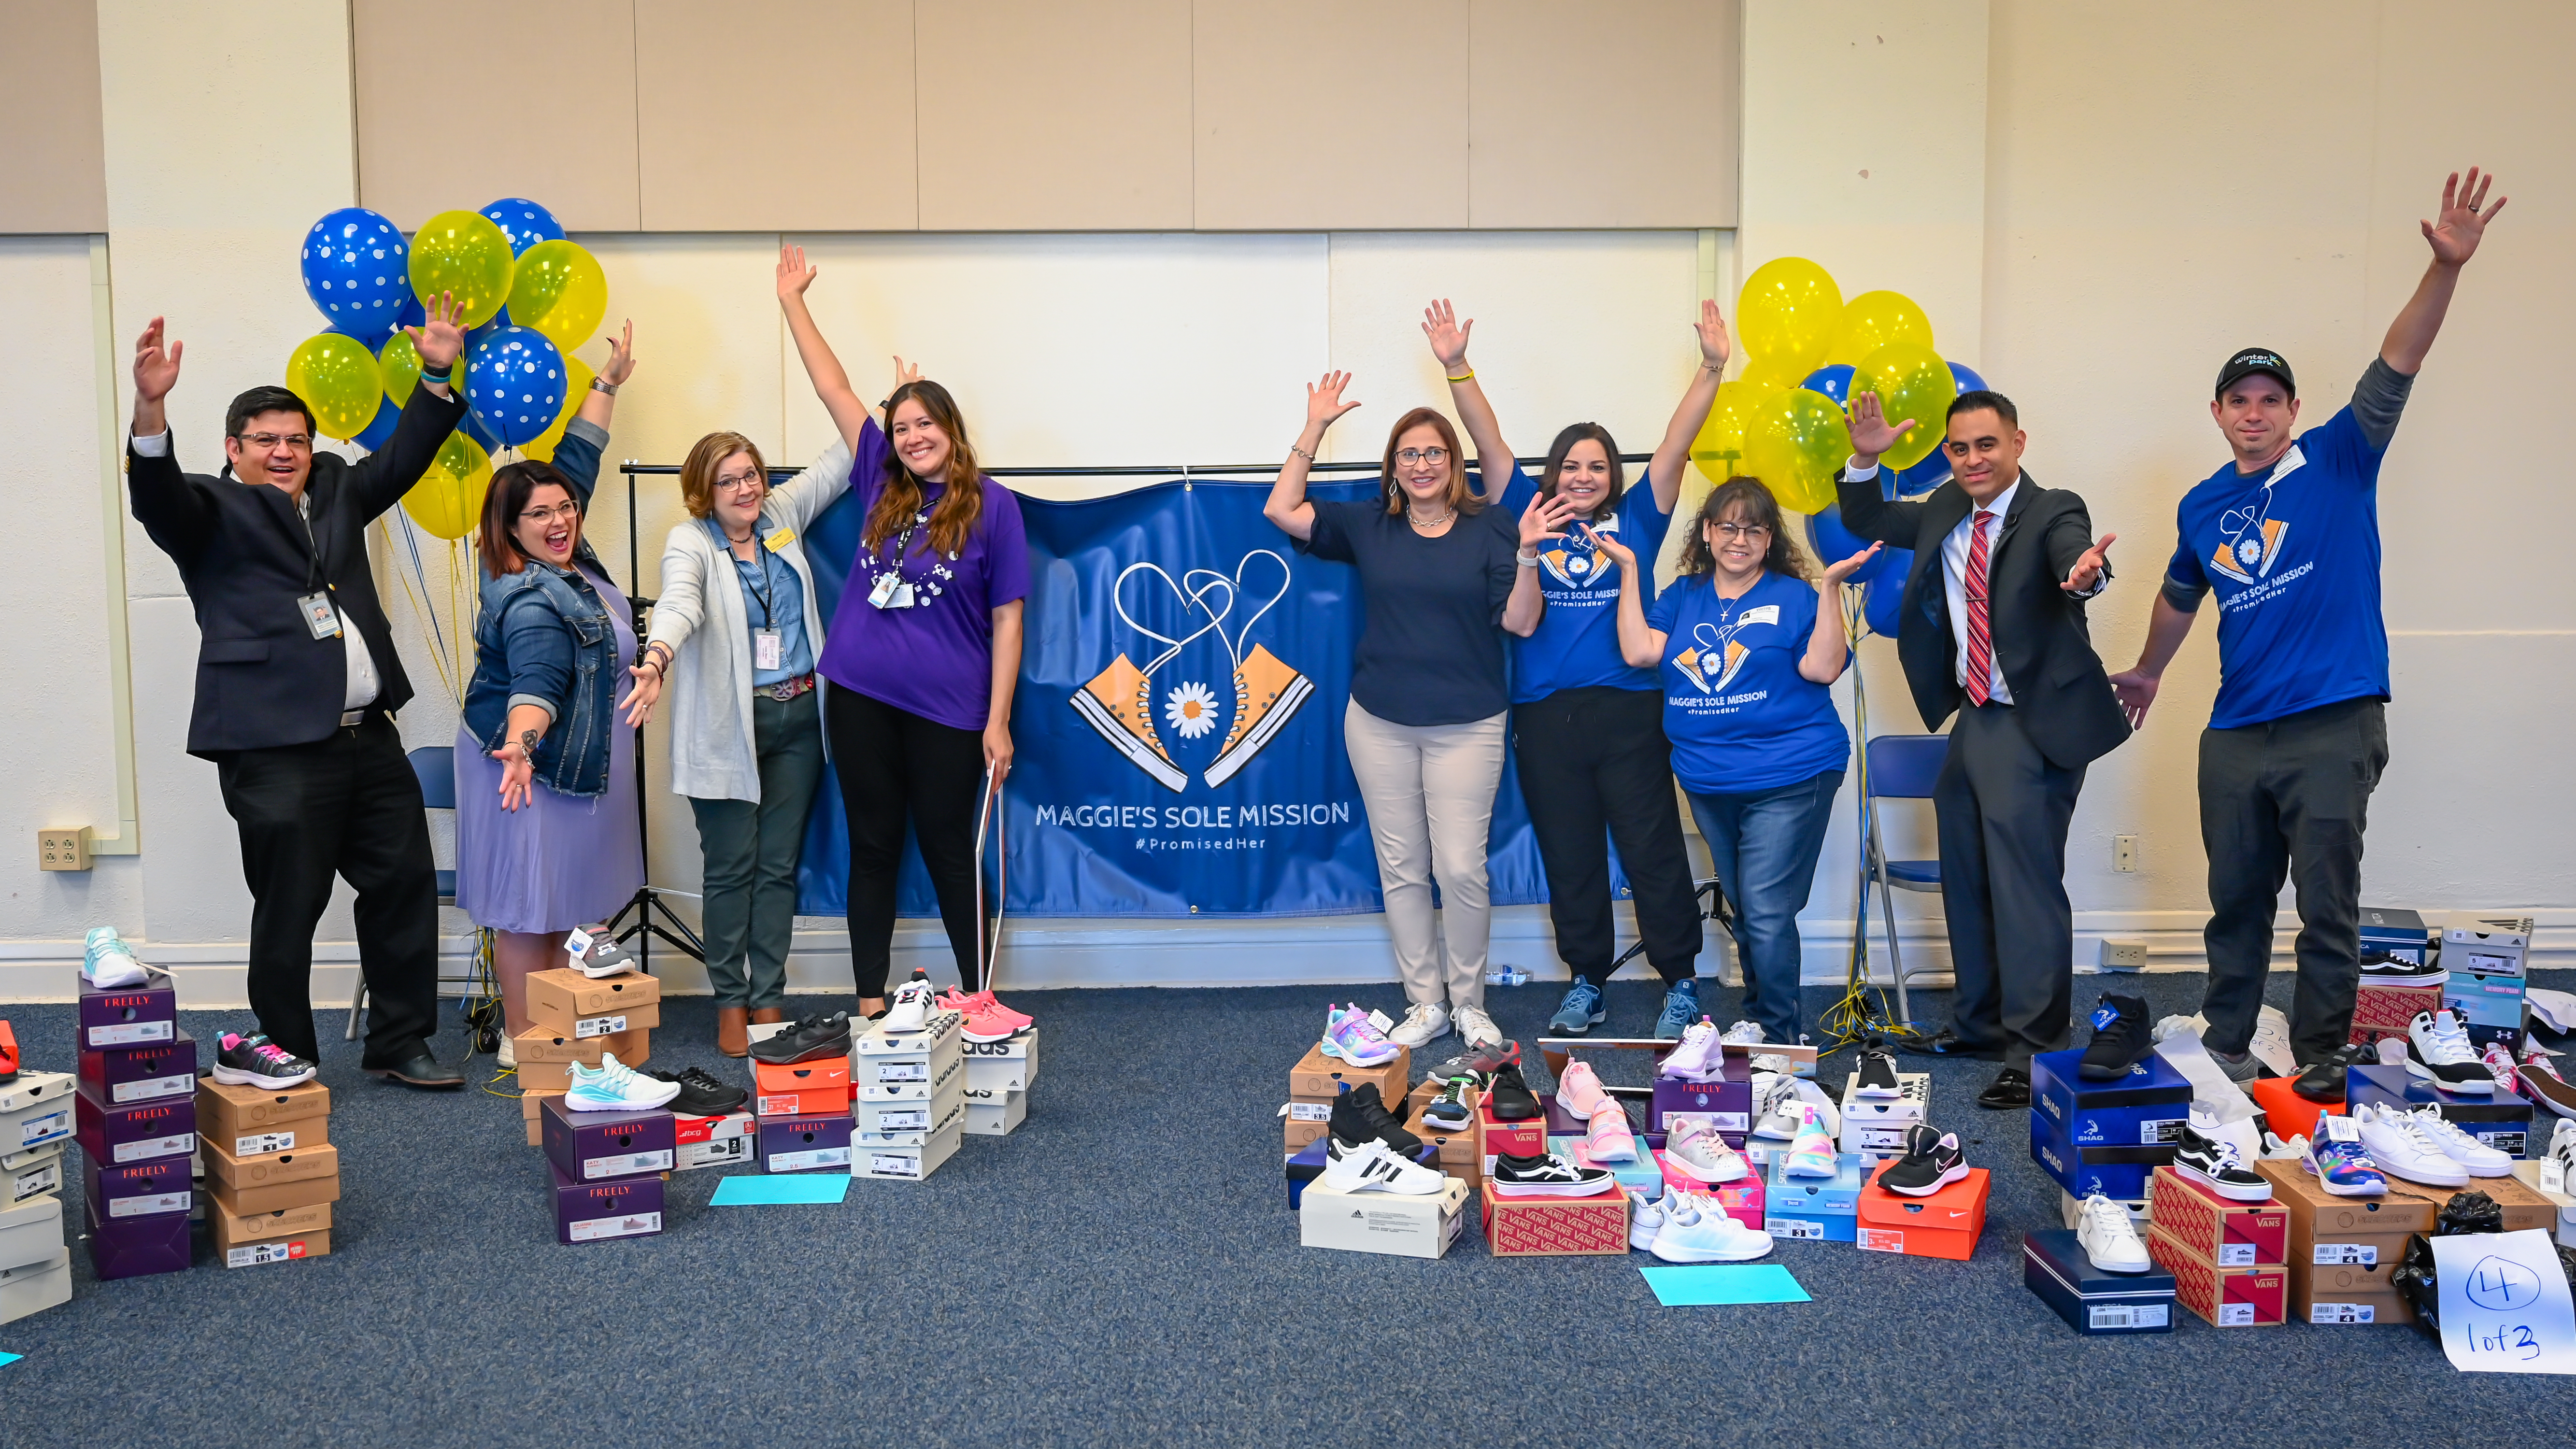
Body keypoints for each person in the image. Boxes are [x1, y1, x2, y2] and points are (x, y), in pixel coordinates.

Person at [2109, 169, 2506, 1098]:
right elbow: (2179, 594)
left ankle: (2324, 1057)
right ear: (2217, 415)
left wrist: (2443, 270)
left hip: (2332, 722)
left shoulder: (2338, 455)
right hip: (2236, 734)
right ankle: (2227, 1043)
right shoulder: (2203, 503)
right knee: (2233, 906)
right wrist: (2146, 672)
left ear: (2290, 411)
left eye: (2268, 400)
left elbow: (2400, 357)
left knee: (2328, 907)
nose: (2253, 414)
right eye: (2236, 402)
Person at [123, 300, 472, 1089]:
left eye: (297, 440)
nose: (285, 452)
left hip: (367, 737)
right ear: (233, 450)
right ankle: (286, 1052)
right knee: (290, 903)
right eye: (267, 441)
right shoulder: (208, 512)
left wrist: (438, 372)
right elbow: (155, 495)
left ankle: (399, 1040)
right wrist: (150, 410)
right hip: (272, 745)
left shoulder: (341, 488)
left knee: (403, 883)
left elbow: (407, 455)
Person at [1434, 296, 1734, 1038]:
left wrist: (1712, 367)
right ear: (1552, 472)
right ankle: (1586, 981)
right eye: (1572, 464)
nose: (1584, 475)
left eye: (1598, 467)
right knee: (1569, 853)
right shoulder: (1522, 514)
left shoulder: (1639, 519)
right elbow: (1487, 436)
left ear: (1614, 477)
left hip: (1628, 709)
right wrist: (1455, 367)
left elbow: (1675, 441)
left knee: (1651, 847)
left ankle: (1681, 983)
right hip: (1543, 716)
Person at [1837, 389, 2125, 1108]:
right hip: (1976, 716)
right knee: (1967, 874)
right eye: (1959, 448)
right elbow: (1867, 516)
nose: (1972, 460)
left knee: (2023, 888)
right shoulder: (1944, 508)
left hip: (2035, 720)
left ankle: (2033, 1050)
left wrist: (2084, 576)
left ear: (2018, 443)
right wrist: (1866, 457)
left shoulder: (2055, 508)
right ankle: (1979, 1026)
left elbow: (2073, 558)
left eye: (1986, 445)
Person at [776, 244, 1028, 1022]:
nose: (913, 436)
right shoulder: (879, 477)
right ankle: (869, 1004)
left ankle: (979, 998)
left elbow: (1008, 617)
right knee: (874, 848)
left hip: (950, 710)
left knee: (954, 854)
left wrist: (997, 721)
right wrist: (794, 303)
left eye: (925, 423)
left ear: (951, 427)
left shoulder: (996, 507)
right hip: (858, 695)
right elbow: (834, 386)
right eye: (902, 425)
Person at [1263, 367, 1542, 1052]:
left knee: (1460, 868)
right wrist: (1315, 427)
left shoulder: (1492, 527)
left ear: (1454, 465)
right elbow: (1281, 509)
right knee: (1402, 867)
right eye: (1408, 454)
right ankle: (1426, 1004)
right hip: (1380, 722)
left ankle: (1469, 1001)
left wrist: (1530, 554)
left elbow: (1523, 622)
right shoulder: (1369, 524)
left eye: (1434, 453)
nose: (1421, 464)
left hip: (1468, 725)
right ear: (1392, 468)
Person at [1598, 479, 1877, 1049]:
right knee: (1748, 903)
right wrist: (1628, 570)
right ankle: (1759, 1014)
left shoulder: (1795, 596)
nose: (1738, 538)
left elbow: (1823, 670)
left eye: (1752, 528)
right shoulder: (1681, 596)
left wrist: (1827, 588)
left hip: (1792, 774)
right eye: (1727, 525)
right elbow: (1638, 651)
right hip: (1707, 778)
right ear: (1706, 532)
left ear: (1768, 538)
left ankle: (1779, 1037)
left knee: (1768, 907)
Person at [620, 405, 859, 1057]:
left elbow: (845, 456)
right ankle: (731, 999)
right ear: (705, 490)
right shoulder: (689, 541)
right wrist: (656, 658)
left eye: (751, 474)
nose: (746, 488)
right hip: (731, 724)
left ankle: (769, 997)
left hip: (800, 718)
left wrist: (893, 406)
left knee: (777, 870)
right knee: (730, 870)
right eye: (729, 480)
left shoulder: (780, 516)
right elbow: (680, 602)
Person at [455, 325, 646, 1049]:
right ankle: (527, 1042)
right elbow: (536, 678)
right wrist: (522, 743)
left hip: (574, 767)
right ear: (509, 529)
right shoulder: (531, 596)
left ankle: (568, 1037)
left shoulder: (569, 555)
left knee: (563, 904)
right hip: (531, 768)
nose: (561, 519)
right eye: (541, 514)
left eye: (566, 508)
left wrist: (607, 384)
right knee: (530, 909)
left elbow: (574, 465)